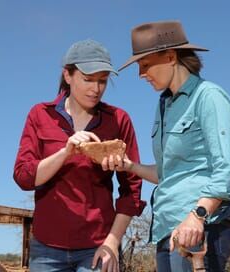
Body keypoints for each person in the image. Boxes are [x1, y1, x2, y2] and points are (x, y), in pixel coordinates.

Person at [102, 21, 230, 271]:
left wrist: (197, 216)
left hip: (199, 230)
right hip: (167, 228)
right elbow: (167, 173)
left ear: (170, 56)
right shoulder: (164, 105)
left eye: (145, 65)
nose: (140, 74)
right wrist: (129, 166)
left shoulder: (209, 96)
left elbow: (226, 171)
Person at [13, 39, 146, 272]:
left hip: (97, 247)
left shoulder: (119, 120)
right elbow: (24, 177)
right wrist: (66, 152)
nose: (96, 89)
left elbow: (131, 190)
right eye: (88, 79)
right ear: (68, 75)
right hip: (46, 249)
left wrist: (112, 243)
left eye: (102, 81)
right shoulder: (39, 115)